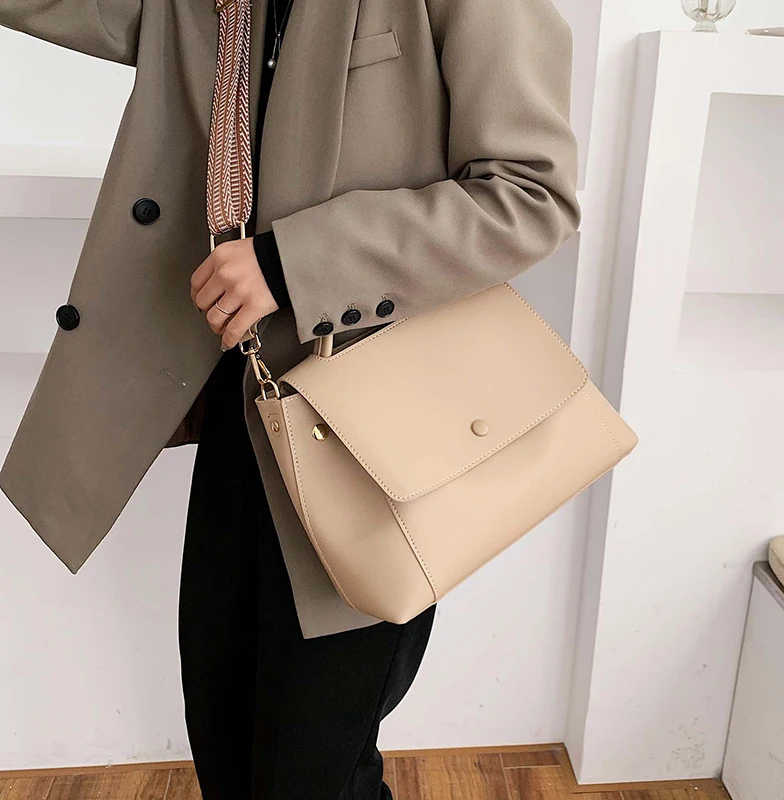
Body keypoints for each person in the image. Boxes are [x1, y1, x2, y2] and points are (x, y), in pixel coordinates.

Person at [0, 0, 581, 797]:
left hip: (371, 441)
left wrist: (290, 264)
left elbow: (530, 195)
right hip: (244, 410)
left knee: (312, 771)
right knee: (226, 737)